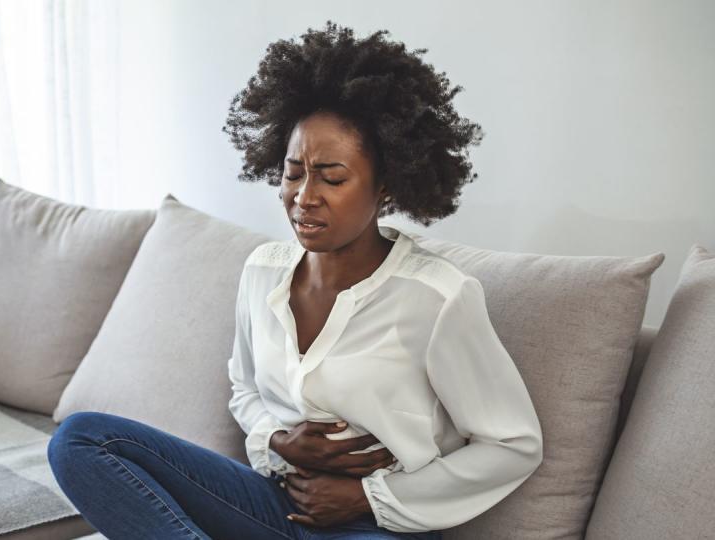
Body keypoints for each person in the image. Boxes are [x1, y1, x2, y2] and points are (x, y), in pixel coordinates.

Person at [47, 21, 543, 539]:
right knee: (80, 441)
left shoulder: (437, 297)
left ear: (386, 187)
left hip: (377, 528)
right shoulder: (263, 272)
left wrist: (368, 498)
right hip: (272, 503)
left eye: (332, 177)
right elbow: (243, 385)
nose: (304, 196)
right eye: (292, 172)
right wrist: (278, 442)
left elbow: (512, 444)